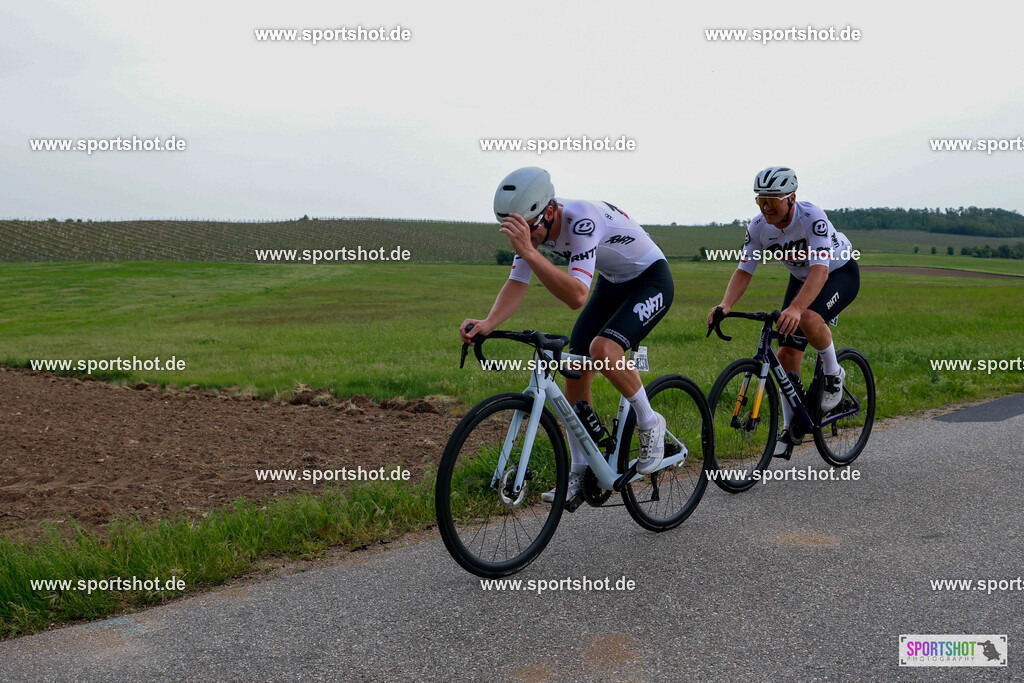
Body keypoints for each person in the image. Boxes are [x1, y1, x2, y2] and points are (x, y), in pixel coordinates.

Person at [460, 167, 674, 503]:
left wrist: (530, 252)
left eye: (528, 232)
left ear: (548, 211)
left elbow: (576, 296)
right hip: (613, 283)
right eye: (516, 234)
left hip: (650, 280)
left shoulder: (581, 219)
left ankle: (650, 422)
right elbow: (518, 281)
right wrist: (488, 322)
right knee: (574, 368)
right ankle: (580, 470)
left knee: (603, 349)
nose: (524, 241)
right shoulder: (535, 226)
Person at [707, 166, 860, 457]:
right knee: (787, 353)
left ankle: (834, 373)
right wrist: (725, 305)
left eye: (773, 201)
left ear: (791, 198)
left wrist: (796, 307)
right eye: (760, 201)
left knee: (808, 317)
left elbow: (820, 270)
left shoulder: (812, 218)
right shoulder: (758, 227)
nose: (766, 208)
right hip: (802, 278)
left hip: (837, 273)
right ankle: (791, 428)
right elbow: (744, 271)